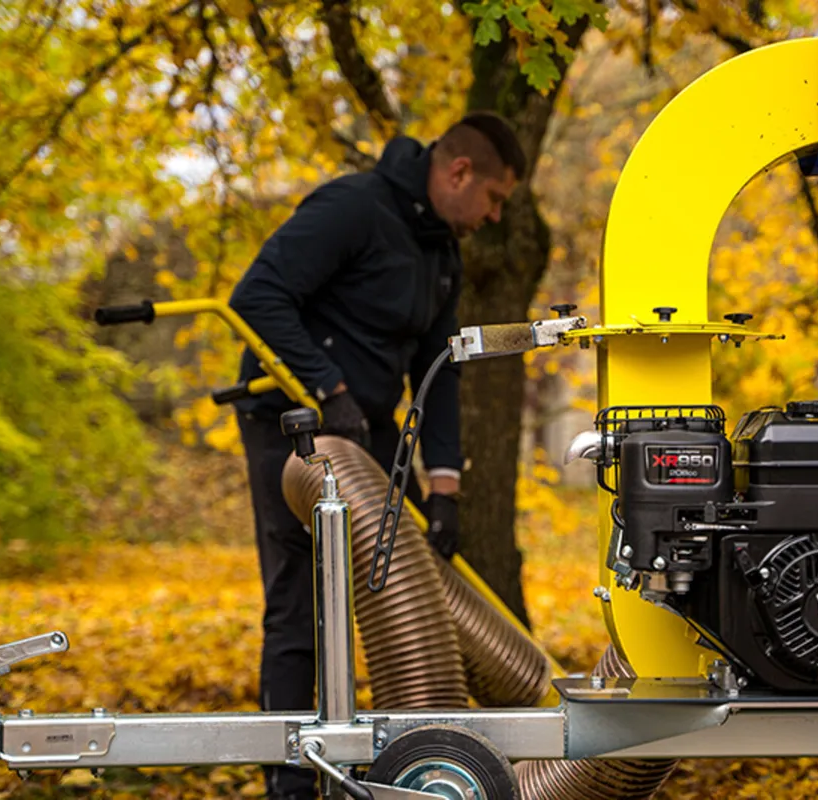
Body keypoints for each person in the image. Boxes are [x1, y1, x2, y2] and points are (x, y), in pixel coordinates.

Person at [227, 112, 525, 800]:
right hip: (289, 418)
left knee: (416, 583)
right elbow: (259, 298)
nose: (494, 215)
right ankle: (292, 779)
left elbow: (439, 369)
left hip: (367, 431)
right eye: (495, 198)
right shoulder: (352, 207)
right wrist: (326, 388)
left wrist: (442, 488)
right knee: (299, 600)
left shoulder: (439, 251)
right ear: (458, 173)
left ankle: (421, 757)